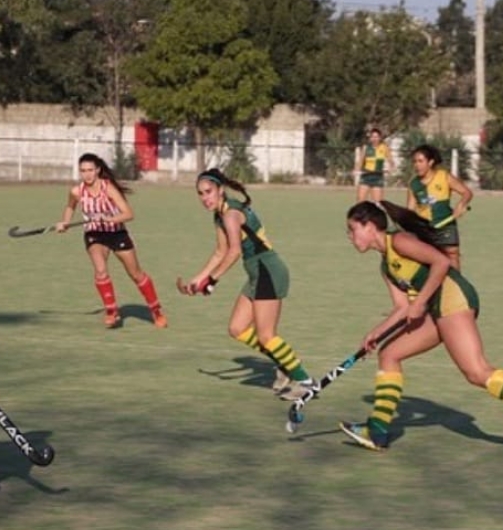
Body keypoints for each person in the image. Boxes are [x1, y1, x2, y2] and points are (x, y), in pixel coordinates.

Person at [338, 200, 503, 459]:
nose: (349, 236)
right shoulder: (386, 266)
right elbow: (402, 307)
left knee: (476, 371)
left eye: (352, 228)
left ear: (369, 226)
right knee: (389, 354)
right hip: (437, 308)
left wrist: (421, 301)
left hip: (452, 298)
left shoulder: (399, 242)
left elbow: (441, 263)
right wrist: (375, 333)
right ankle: (377, 430)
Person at [179, 168, 317, 399]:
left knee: (266, 336)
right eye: (201, 194)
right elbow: (219, 252)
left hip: (268, 270)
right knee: (237, 328)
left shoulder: (231, 214)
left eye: (209, 192)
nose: (205, 198)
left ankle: (305, 380)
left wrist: (212, 280)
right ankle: (285, 365)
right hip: (256, 273)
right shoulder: (219, 215)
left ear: (220, 190)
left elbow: (233, 252)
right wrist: (198, 279)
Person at [55, 152, 167, 328]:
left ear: (98, 170)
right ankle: (111, 311)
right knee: (100, 271)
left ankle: (156, 309)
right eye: (83, 171)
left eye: (90, 170)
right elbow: (70, 207)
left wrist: (110, 219)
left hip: (116, 233)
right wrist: (65, 222)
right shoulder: (77, 191)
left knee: (136, 274)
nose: (87, 174)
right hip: (94, 234)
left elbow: (129, 214)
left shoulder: (108, 188)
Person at [406, 144, 474, 270]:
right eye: (415, 161)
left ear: (430, 162)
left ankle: (457, 286)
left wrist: (460, 205)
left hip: (446, 225)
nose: (417, 165)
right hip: (426, 229)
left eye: (421, 161)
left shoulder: (444, 176)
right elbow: (409, 212)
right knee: (428, 262)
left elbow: (467, 193)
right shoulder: (413, 185)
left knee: (452, 256)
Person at [355, 128, 390, 203]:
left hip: (378, 177)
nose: (374, 139)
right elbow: (360, 162)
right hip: (366, 176)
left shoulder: (384, 148)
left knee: (378, 204)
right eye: (372, 137)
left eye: (376, 137)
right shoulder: (366, 148)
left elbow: (391, 162)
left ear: (380, 138)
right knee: (360, 202)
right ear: (370, 138)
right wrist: (356, 170)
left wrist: (390, 168)